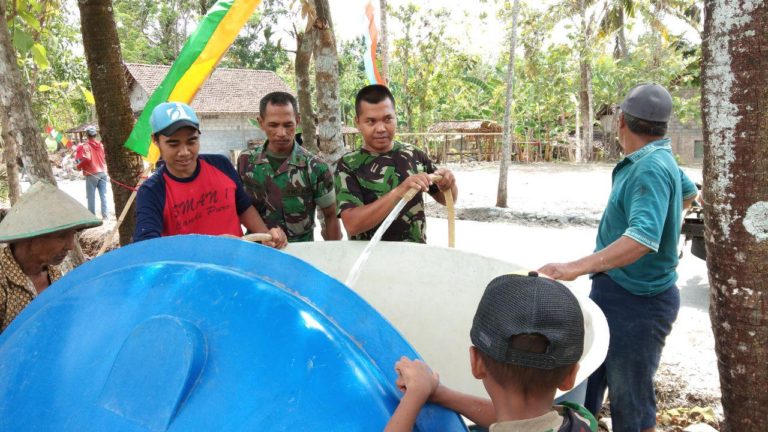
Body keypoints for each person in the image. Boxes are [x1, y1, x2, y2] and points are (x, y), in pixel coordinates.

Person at [538, 84, 698, 432]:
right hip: (616, 290)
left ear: (621, 120)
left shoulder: (649, 168)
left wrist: (574, 267)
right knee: (590, 383)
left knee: (632, 403)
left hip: (639, 302)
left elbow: (642, 238)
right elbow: (688, 193)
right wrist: (670, 223)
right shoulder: (657, 156)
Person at [385, 273, 597, 432]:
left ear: (476, 362)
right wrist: (441, 394)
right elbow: (521, 423)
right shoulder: (581, 420)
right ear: (571, 376)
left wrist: (415, 394)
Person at [133, 102, 286, 248]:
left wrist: (266, 235)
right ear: (155, 140)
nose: (185, 152)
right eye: (173, 144)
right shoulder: (151, 191)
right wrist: (210, 246)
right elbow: (147, 246)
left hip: (236, 264)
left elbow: (243, 207)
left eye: (192, 141)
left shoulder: (221, 165)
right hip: (191, 272)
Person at [335, 85, 458, 243]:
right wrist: (400, 191)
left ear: (396, 117)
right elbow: (352, 224)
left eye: (387, 119)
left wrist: (448, 183)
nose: (381, 128)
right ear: (358, 122)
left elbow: (448, 199)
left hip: (414, 257)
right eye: (371, 121)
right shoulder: (348, 165)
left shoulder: (414, 154)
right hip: (370, 261)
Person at [238, 92, 341, 242]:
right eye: (273, 125)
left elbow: (331, 215)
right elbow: (241, 207)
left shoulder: (315, 167)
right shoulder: (246, 161)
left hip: (300, 253)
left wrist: (334, 256)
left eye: (288, 125)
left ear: (297, 121)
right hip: (259, 250)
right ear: (261, 122)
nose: (281, 133)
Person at [0, 182, 102, 333]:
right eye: (61, 236)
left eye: (73, 235)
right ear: (31, 237)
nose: (70, 246)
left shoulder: (53, 274)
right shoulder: (3, 279)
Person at [75, 126, 109, 220]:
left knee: (91, 197)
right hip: (103, 172)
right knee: (103, 195)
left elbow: (86, 158)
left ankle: (92, 217)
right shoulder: (101, 145)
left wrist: (78, 166)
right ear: (95, 135)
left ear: (87, 135)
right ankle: (105, 216)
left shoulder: (85, 146)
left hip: (92, 174)